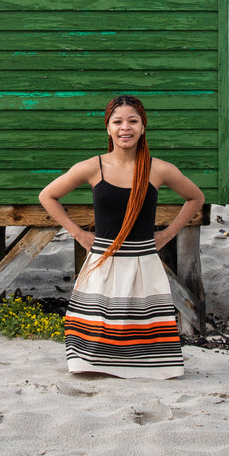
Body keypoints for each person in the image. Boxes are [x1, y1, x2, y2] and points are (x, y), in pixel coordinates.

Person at [39, 94, 204, 379]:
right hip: (104, 259)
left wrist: (167, 234)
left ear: (143, 127)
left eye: (132, 121)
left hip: (143, 260)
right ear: (108, 127)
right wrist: (77, 233)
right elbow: (48, 196)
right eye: (117, 121)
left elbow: (195, 198)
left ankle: (142, 364)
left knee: (144, 327)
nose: (124, 127)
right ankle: (98, 364)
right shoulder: (93, 167)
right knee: (96, 329)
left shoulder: (158, 169)